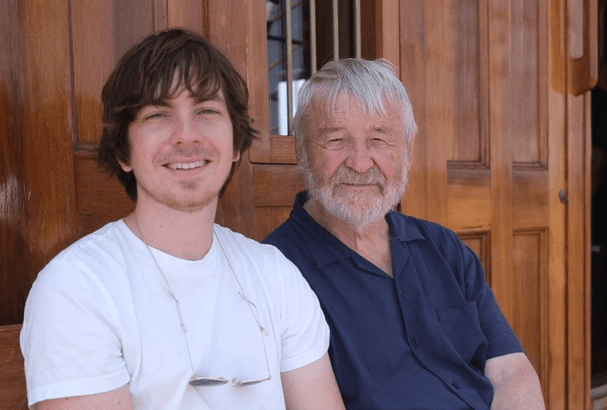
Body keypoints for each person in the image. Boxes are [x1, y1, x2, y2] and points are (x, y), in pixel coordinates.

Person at [20, 28, 345, 410]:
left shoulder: (275, 275)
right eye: (158, 114)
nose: (186, 136)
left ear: (237, 143)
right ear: (124, 152)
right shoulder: (79, 289)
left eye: (206, 110)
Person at [264, 58, 546, 410]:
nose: (361, 162)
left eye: (379, 139)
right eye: (336, 139)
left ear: (408, 148)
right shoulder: (274, 272)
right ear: (301, 149)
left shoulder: (444, 247)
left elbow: (511, 372)